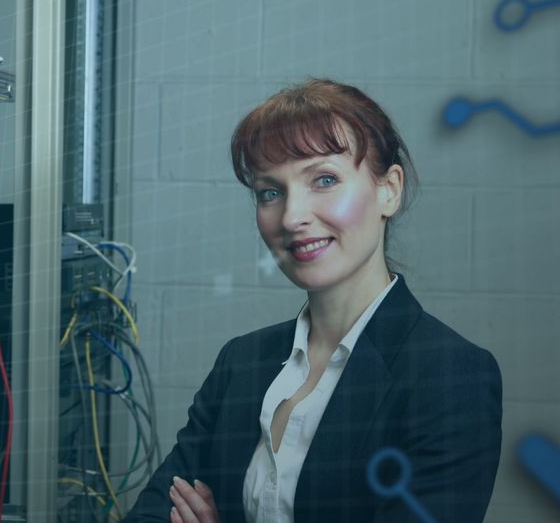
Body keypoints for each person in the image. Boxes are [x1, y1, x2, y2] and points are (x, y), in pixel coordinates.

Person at [124, 79, 502, 523]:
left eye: (324, 179)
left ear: (389, 190)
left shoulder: (450, 375)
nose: (292, 216)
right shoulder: (241, 362)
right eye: (270, 191)